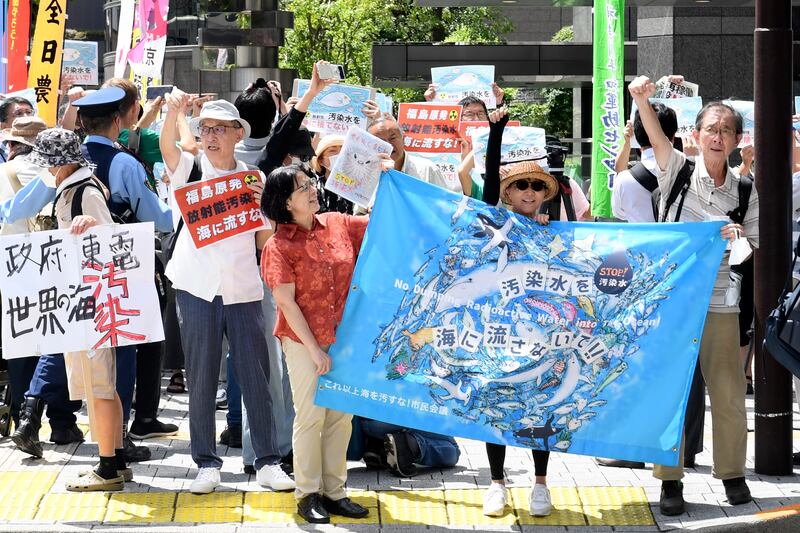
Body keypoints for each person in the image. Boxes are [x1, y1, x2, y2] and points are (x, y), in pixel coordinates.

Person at [629, 75, 757, 516]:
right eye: (711, 130)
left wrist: (738, 236)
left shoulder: (744, 189)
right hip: (673, 303)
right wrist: (643, 100)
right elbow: (657, 137)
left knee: (728, 392)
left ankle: (733, 476)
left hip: (722, 301)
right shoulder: (677, 169)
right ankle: (670, 481)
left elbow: (751, 247)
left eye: (727, 131)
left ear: (738, 140)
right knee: (675, 393)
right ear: (696, 135)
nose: (718, 137)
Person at [159, 91, 294, 494]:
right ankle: (206, 462)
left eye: (220, 129)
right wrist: (173, 113)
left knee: (256, 374)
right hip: (196, 286)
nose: (211, 136)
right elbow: (168, 146)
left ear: (239, 134)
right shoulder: (190, 170)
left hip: (243, 287)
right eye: (205, 129)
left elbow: (264, 242)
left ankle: (268, 460)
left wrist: (263, 210)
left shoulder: (256, 180)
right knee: (201, 374)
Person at [262, 162, 372, 524]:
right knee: (310, 417)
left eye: (310, 183)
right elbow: (285, 303)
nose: (312, 190)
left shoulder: (338, 223)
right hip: (301, 340)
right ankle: (307, 493)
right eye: (301, 188)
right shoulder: (278, 246)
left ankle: (335, 490)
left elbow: (379, 225)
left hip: (344, 338)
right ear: (285, 203)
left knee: (341, 417)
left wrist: (383, 177)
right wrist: (312, 349)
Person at [73, 87, 174, 462]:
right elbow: (159, 217)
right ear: (118, 121)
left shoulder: (67, 162)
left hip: (76, 272)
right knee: (124, 350)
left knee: (89, 353)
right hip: (124, 270)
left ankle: (92, 432)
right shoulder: (125, 164)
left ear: (81, 122)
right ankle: (118, 440)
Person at [28, 128, 130, 491]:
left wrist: (92, 225)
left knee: (98, 387)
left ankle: (107, 469)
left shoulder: (83, 193)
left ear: (61, 164)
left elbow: (112, 243)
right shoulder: (77, 188)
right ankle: (115, 457)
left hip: (90, 305)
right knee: (103, 385)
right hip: (87, 302)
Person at [479, 107, 557, 518]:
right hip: (497, 329)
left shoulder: (554, 229)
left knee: (541, 405)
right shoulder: (494, 219)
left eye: (536, 186)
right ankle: (496, 483)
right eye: (521, 185)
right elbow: (490, 175)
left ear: (545, 193)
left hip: (541, 332)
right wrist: (497, 128)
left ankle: (541, 484)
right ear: (507, 193)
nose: (529, 192)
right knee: (497, 402)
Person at [347, 416, 460, 477]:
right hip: (386, 417)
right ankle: (407, 445)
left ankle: (376, 445)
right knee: (453, 450)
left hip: (359, 421)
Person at [0, 97, 35, 162]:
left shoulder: (45, 148)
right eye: (19, 114)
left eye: (29, 112)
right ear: (4, 127)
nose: (26, 117)